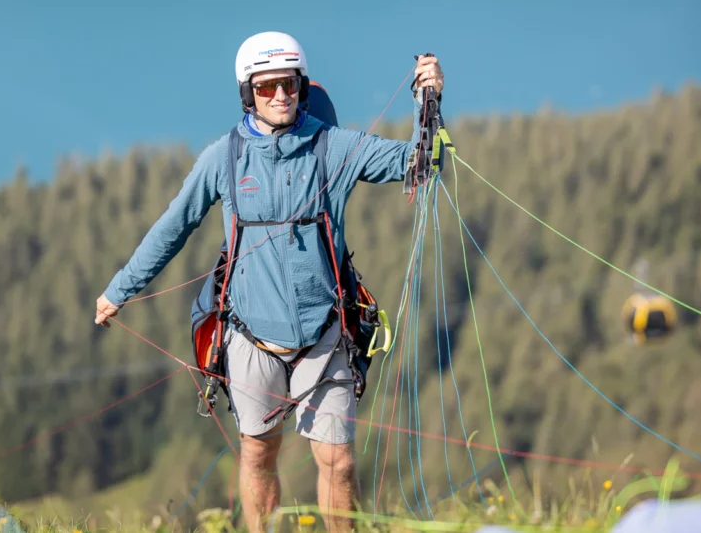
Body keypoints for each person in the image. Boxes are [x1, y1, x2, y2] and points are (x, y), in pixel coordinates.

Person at [94, 31, 445, 532]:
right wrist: (119, 291)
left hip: (325, 334)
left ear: (302, 86)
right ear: (247, 93)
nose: (280, 95)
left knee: (338, 461)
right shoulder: (225, 158)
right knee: (258, 453)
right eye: (266, 87)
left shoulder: (333, 148)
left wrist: (427, 101)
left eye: (289, 84)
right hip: (249, 336)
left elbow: (420, 162)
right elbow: (173, 226)